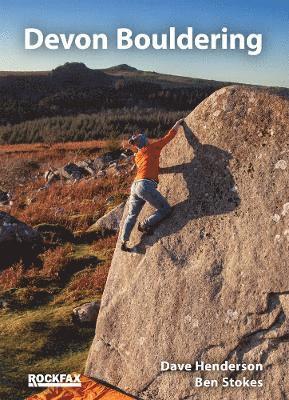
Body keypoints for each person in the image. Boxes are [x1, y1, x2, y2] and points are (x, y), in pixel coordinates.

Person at [121, 118, 184, 252]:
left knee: (131, 215)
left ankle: (123, 241)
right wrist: (177, 124)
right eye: (146, 138)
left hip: (135, 186)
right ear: (145, 141)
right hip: (145, 185)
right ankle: (145, 224)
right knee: (165, 209)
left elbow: (148, 167)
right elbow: (169, 136)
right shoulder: (153, 147)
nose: (149, 139)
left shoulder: (138, 156)